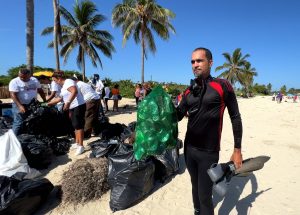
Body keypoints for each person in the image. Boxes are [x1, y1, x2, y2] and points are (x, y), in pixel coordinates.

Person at [176, 47, 243, 215]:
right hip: (189, 149)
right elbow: (176, 116)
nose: (195, 64)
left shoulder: (222, 86)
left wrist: (237, 150)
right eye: (192, 61)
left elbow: (235, 117)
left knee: (205, 195)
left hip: (208, 151)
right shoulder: (189, 91)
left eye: (199, 60)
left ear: (210, 63)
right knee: (194, 186)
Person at [47, 71, 86, 156]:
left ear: (59, 78)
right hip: (72, 107)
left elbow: (74, 91)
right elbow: (60, 98)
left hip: (78, 105)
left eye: (55, 80)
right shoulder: (64, 86)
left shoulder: (68, 81)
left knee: (79, 125)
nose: (55, 82)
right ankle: (77, 142)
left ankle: (81, 146)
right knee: (75, 125)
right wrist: (48, 103)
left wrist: (67, 102)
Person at [9, 68, 46, 135]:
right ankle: (13, 140)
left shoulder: (34, 80)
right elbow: (13, 94)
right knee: (18, 122)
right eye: (21, 77)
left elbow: (40, 91)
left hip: (32, 104)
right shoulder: (14, 81)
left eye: (24, 77)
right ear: (18, 74)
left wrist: (45, 101)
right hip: (18, 104)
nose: (22, 78)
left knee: (32, 121)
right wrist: (20, 106)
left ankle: (29, 137)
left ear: (29, 75)